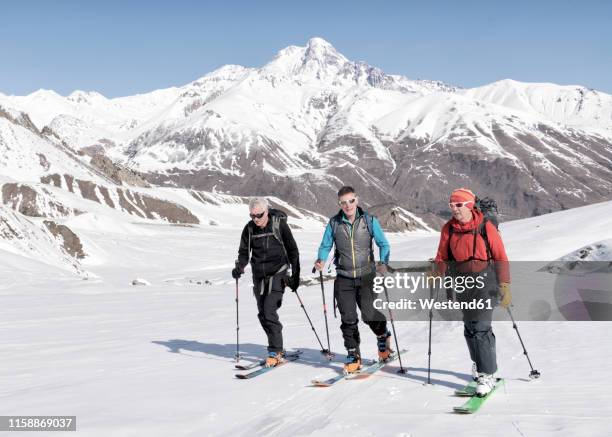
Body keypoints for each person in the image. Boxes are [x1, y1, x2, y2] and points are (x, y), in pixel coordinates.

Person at [434, 188, 511, 396]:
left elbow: (501, 256)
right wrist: (435, 275)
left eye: (458, 205)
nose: (454, 209)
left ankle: (487, 374)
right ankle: (480, 364)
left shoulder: (485, 227)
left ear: (469, 205)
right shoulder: (448, 229)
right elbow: (442, 256)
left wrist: (504, 285)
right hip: (462, 282)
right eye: (451, 205)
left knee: (481, 327)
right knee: (469, 327)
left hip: (485, 281)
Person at [314, 186, 392, 374]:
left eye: (351, 201)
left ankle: (383, 336)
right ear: (339, 204)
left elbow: (383, 244)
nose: (347, 205)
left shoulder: (369, 220)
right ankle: (353, 354)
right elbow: (325, 245)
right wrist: (321, 260)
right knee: (348, 318)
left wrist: (383, 262)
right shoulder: (334, 223)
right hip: (344, 277)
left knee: (369, 315)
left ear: (357, 200)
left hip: (366, 275)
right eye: (343, 202)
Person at [232, 198, 300, 367]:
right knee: (263, 313)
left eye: (259, 215)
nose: (255, 219)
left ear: (266, 212)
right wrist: (239, 267)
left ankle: (275, 351)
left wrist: (296, 276)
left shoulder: (279, 225)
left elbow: (293, 250)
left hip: (278, 273)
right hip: (259, 276)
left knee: (269, 310)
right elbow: (243, 252)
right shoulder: (249, 229)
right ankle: (277, 346)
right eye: (252, 215)